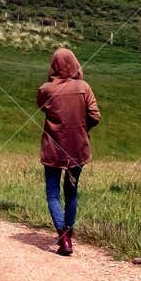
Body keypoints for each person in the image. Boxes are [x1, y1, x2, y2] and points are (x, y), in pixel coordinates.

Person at [37, 47, 100, 256]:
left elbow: (42, 107)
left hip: (53, 149)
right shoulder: (84, 87)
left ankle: (63, 238)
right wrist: (83, 129)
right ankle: (69, 233)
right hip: (78, 149)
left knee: (52, 193)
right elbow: (95, 116)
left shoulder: (46, 89)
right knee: (71, 191)